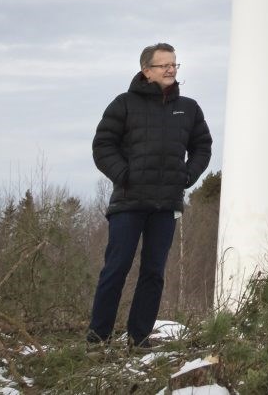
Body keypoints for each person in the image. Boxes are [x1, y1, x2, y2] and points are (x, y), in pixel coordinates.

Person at [88, 41, 212, 347]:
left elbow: (202, 146)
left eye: (174, 64)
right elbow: (102, 146)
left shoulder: (189, 108)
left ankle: (139, 339)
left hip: (166, 204)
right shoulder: (124, 104)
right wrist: (125, 175)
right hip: (128, 203)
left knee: (154, 273)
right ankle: (97, 339)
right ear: (147, 70)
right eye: (164, 65)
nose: (171, 69)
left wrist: (187, 175)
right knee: (116, 269)